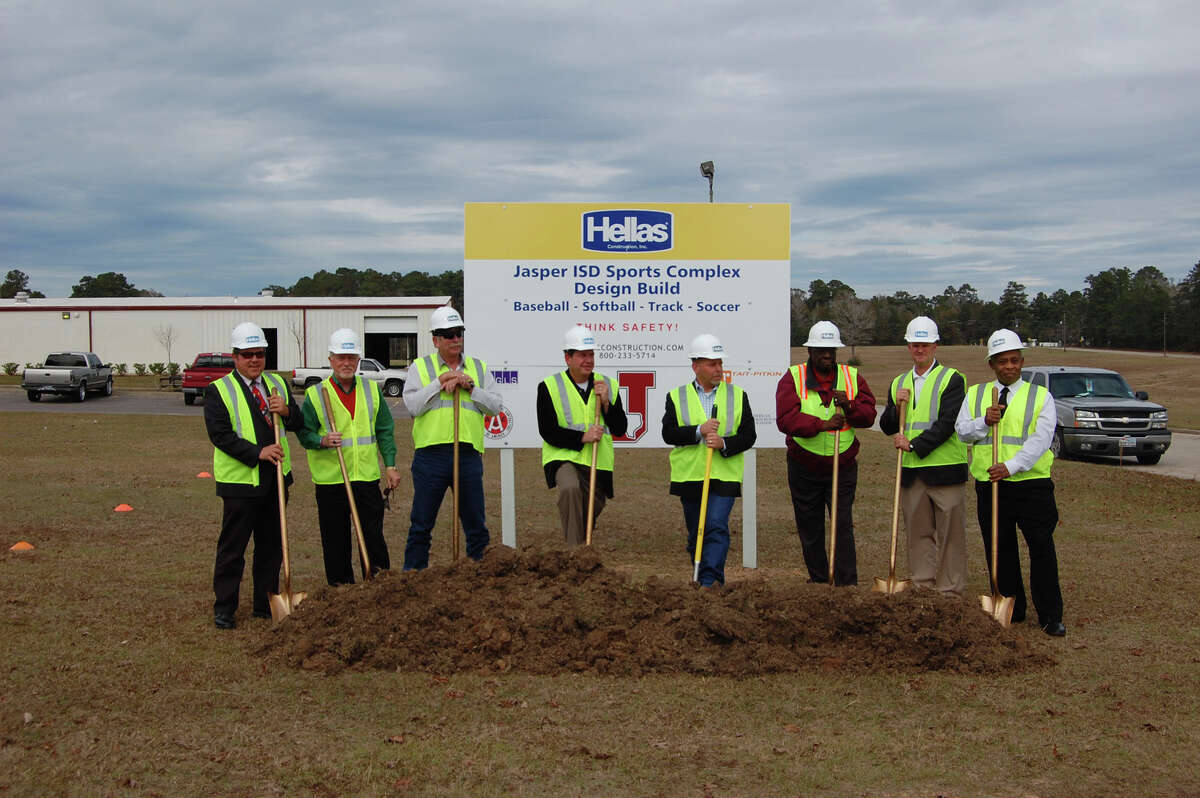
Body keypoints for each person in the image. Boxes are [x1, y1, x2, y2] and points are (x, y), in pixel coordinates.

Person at [955, 328, 1066, 636]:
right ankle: (1012, 607)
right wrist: (983, 422)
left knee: (1041, 548)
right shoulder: (977, 394)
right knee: (999, 548)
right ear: (992, 363)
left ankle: (1051, 615)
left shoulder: (1040, 396)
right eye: (1002, 361)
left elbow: (1041, 439)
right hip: (990, 485)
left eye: (1014, 360)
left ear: (1021, 361)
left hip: (1031, 485)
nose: (1009, 366)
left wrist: (1012, 466)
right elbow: (963, 431)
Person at [203, 321, 302, 629]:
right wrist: (257, 453)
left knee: (272, 547)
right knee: (233, 549)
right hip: (240, 485)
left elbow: (299, 423)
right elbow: (220, 435)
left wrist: (286, 411)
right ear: (235, 357)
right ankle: (225, 608)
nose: (255, 360)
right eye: (248, 355)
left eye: (260, 354)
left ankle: (265, 602)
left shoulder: (278, 385)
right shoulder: (218, 390)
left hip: (274, 482)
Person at [775, 320, 876, 585]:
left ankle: (846, 585)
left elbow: (868, 416)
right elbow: (785, 419)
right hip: (803, 466)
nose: (827, 354)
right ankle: (819, 581)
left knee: (842, 526)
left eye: (831, 349)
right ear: (809, 350)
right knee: (810, 527)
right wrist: (821, 425)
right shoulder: (793, 377)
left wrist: (850, 406)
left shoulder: (852, 377)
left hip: (841, 467)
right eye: (821, 349)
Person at [297, 328, 401, 585]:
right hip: (331, 481)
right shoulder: (315, 394)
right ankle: (341, 591)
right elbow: (303, 433)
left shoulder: (372, 391)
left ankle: (379, 586)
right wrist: (321, 440)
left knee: (373, 536)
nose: (346, 363)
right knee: (335, 540)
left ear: (358, 360)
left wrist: (390, 465)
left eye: (351, 358)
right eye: (340, 357)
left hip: (365, 478)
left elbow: (385, 430)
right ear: (331, 359)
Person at [402, 306, 503, 569]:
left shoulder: (478, 368)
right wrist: (440, 382)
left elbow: (494, 407)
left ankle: (479, 578)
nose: (455, 339)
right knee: (422, 524)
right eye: (448, 335)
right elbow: (413, 406)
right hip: (430, 456)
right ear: (435, 339)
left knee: (476, 525)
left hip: (468, 455)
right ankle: (413, 581)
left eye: (458, 333)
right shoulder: (420, 368)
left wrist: (470, 387)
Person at [878, 316, 969, 595]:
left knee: (950, 535)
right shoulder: (899, 383)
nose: (920, 349)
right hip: (912, 474)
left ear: (935, 346)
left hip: (945, 469)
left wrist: (914, 445)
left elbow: (947, 423)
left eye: (925, 344)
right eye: (915, 344)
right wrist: (896, 407)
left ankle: (950, 591)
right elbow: (887, 426)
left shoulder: (953, 379)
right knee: (918, 534)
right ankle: (923, 586)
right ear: (908, 346)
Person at [661, 334, 756, 587]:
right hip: (690, 475)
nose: (718, 369)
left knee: (715, 524)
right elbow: (668, 433)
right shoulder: (676, 396)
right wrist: (698, 431)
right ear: (696, 366)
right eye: (712, 364)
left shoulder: (737, 395)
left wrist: (725, 443)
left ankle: (710, 583)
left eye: (720, 363)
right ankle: (704, 576)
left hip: (724, 474)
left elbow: (749, 435)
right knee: (697, 533)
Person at [537, 325, 629, 546]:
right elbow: (547, 431)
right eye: (581, 355)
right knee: (570, 490)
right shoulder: (548, 387)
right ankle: (575, 556)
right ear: (568, 358)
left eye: (591, 355)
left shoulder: (608, 385)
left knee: (589, 510)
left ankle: (580, 555)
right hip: (563, 458)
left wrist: (607, 402)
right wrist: (581, 438)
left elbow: (620, 428)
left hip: (598, 463)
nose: (588, 360)